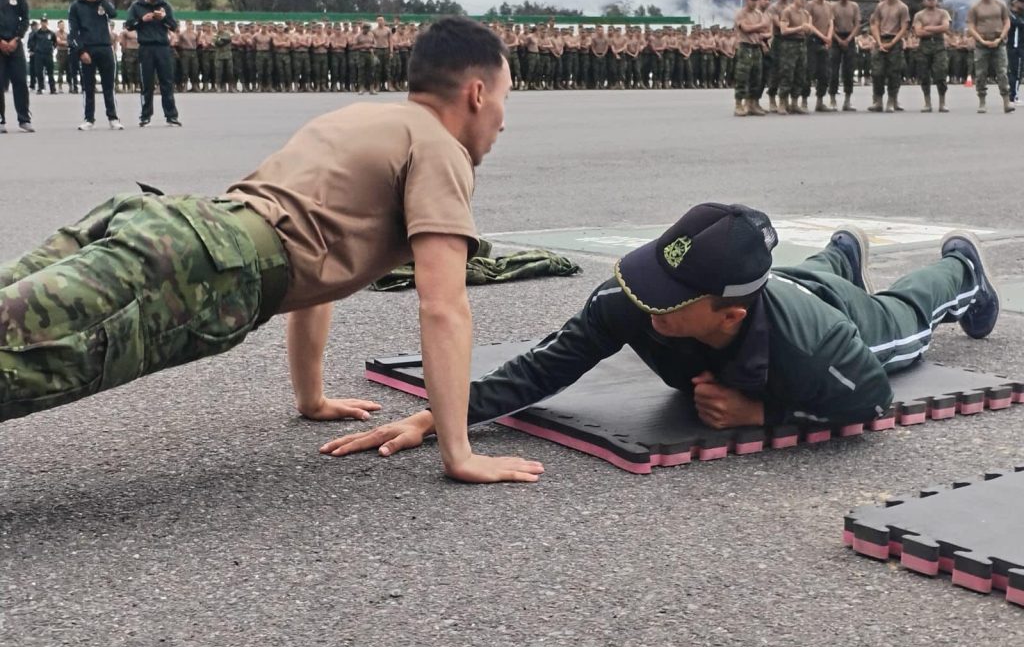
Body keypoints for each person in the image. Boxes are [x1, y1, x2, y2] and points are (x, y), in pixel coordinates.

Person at [0, 17, 536, 484]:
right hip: (200, 266)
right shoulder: (441, 150)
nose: (505, 120)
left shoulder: (362, 119)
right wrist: (459, 452)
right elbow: (443, 306)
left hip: (160, 219)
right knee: (25, 362)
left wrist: (312, 398)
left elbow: (314, 270)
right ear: (477, 93)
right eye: (506, 98)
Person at [324, 206, 1000, 470]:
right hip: (783, 286)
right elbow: (547, 367)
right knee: (803, 275)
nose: (646, 308)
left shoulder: (817, 352)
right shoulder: (637, 302)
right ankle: (836, 254)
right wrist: (439, 416)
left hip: (841, 320)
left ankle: (960, 271)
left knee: (904, 318)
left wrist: (767, 413)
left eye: (669, 304)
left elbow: (872, 404)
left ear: (727, 316)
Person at [69, 0, 123, 130]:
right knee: (88, 86)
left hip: (105, 47)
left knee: (108, 85)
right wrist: (80, 51)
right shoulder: (76, 6)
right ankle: (89, 118)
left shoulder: (103, 4)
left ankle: (113, 117)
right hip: (87, 49)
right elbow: (73, 32)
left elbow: (114, 13)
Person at [124, 0, 181, 127]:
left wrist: (164, 19)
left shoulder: (165, 6)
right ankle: (145, 116)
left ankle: (171, 115)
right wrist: (142, 20)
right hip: (146, 47)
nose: (154, 0)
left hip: (163, 48)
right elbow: (129, 25)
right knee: (146, 83)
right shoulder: (136, 6)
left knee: (167, 82)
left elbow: (174, 26)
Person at [966, 0, 1014, 114]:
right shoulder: (975, 8)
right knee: (981, 73)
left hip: (998, 42)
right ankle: (982, 101)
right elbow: (971, 25)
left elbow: (1007, 21)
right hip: (982, 44)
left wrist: (1001, 37)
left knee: (1002, 72)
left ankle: (1006, 101)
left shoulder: (1000, 5)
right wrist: (980, 39)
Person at [0, 0, 34, 132]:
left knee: (20, 81)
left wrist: (16, 38)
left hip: (15, 44)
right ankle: (1, 120)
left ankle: (24, 119)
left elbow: (25, 18)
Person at [868, 0, 910, 113]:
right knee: (877, 72)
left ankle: (891, 100)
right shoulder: (880, 6)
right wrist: (879, 42)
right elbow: (875, 24)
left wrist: (893, 42)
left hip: (894, 40)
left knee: (894, 73)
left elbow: (904, 27)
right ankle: (878, 101)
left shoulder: (902, 7)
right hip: (881, 39)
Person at [912, 0, 951, 113]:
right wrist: (936, 29)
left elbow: (945, 27)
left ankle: (942, 103)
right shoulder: (919, 15)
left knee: (941, 73)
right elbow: (918, 32)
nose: (931, 1)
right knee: (924, 75)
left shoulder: (943, 13)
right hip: (924, 45)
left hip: (939, 45)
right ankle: (927, 103)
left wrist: (928, 28)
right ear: (924, 1)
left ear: (937, 0)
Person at [733, 0, 768, 117]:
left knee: (756, 77)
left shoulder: (758, 14)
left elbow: (766, 30)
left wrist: (759, 28)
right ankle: (738, 104)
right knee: (742, 76)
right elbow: (746, 29)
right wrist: (760, 26)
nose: (755, 2)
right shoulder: (740, 13)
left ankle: (752, 104)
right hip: (745, 47)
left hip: (756, 47)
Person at [778, 0, 811, 115]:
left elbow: (808, 29)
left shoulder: (806, 13)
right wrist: (800, 28)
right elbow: (783, 30)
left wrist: (808, 30)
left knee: (800, 74)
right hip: (789, 44)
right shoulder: (787, 11)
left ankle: (794, 102)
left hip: (802, 44)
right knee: (787, 73)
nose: (804, 0)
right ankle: (782, 102)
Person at [804, 0, 835, 112]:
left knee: (825, 73)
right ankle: (803, 102)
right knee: (809, 72)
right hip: (812, 41)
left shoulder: (829, 5)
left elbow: (831, 23)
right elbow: (808, 25)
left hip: (825, 41)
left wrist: (828, 38)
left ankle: (820, 101)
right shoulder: (810, 5)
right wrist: (823, 37)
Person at [829, 0, 860, 111]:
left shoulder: (854, 6)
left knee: (849, 70)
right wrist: (838, 39)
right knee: (833, 70)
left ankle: (847, 100)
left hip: (849, 37)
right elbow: (829, 24)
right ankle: (832, 99)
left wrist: (848, 39)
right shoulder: (832, 6)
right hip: (835, 37)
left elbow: (857, 24)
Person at [32, 17, 57, 94]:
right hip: (39, 55)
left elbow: (55, 43)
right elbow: (32, 42)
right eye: (42, 22)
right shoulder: (36, 33)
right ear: (40, 23)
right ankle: (40, 88)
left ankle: (52, 89)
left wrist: (51, 49)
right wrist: (35, 49)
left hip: (48, 54)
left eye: (45, 22)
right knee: (39, 72)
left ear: (47, 23)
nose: (44, 23)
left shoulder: (51, 33)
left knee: (50, 73)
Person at [1009, 0, 1023, 104]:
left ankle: (1013, 95)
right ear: (1015, 2)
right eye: (1021, 1)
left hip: (1018, 48)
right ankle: (1013, 96)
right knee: (1016, 73)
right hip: (1015, 48)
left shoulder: (1017, 16)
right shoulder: (1011, 16)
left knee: (1016, 72)